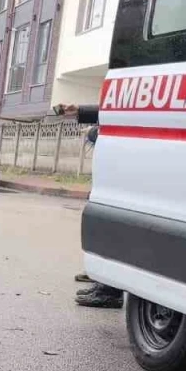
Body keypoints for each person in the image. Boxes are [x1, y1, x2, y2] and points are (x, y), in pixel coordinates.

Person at [57, 103, 123, 310]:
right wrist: (80, 111)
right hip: (111, 174)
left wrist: (94, 132)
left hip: (119, 174)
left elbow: (119, 114)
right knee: (101, 225)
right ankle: (101, 278)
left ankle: (108, 289)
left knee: (110, 226)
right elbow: (114, 109)